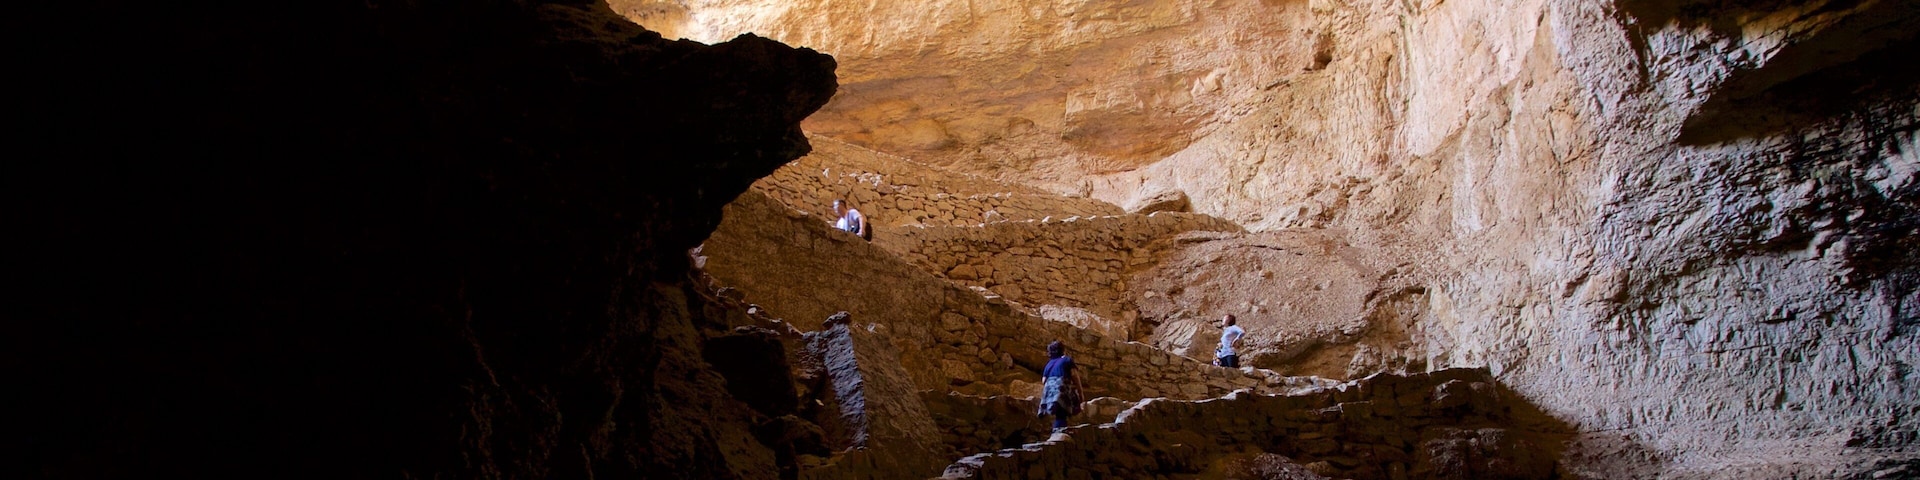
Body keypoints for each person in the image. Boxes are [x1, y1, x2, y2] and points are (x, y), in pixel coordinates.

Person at [1037, 341, 1084, 432]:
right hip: (1061, 388)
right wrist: (1080, 392)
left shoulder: (1049, 364)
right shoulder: (1067, 360)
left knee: (1059, 413)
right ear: (1062, 350)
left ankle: (1058, 431)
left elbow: (1044, 380)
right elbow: (1074, 375)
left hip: (1049, 391)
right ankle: (1059, 433)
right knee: (1062, 412)